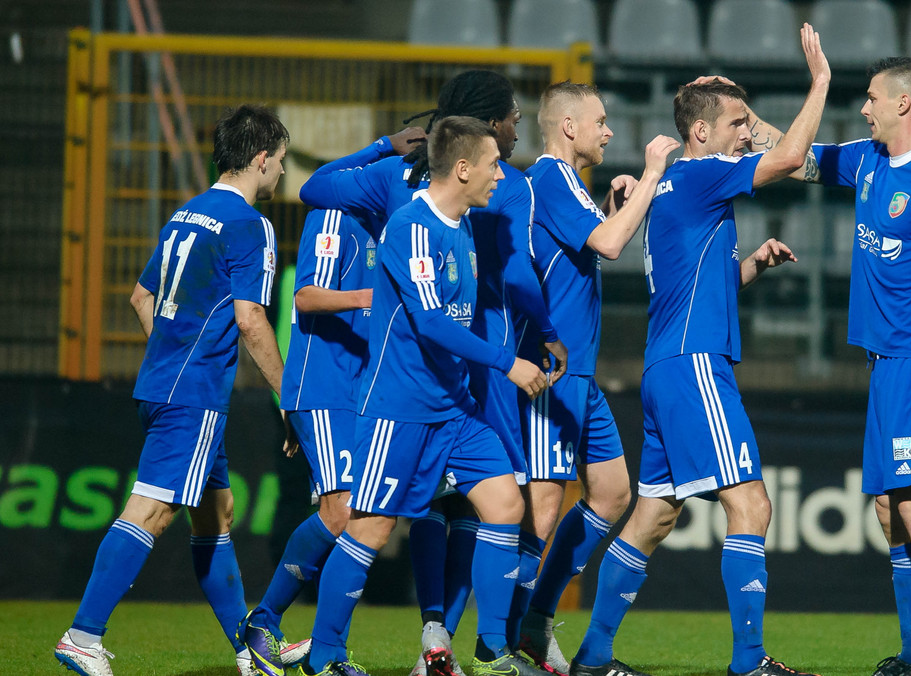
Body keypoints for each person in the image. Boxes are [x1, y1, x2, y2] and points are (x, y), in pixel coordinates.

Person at [569, 24, 829, 676]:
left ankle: (593, 656)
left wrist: (751, 268)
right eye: (738, 122)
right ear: (702, 134)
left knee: (653, 518)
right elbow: (792, 158)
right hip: (694, 367)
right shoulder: (707, 172)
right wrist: (822, 82)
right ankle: (749, 662)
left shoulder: (669, 193)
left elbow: (687, 284)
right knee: (752, 506)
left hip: (667, 364)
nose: (748, 131)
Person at [298, 69, 567, 676]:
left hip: (452, 410)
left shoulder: (465, 227)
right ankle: (325, 655)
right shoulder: (411, 227)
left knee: (503, 504)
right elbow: (431, 325)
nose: (504, 172)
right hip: (399, 408)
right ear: (464, 169)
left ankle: (494, 652)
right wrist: (509, 361)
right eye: (495, 162)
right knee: (368, 529)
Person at [739, 55, 911, 676]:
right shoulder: (872, 160)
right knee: (887, 507)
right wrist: (741, 117)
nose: (864, 106)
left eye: (872, 97)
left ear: (903, 104)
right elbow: (805, 157)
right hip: (886, 364)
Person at [53, 104, 291, 676]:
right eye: (281, 162)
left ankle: (251, 651)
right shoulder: (250, 224)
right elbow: (252, 319)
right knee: (153, 510)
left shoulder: (187, 214)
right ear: (260, 160)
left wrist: (172, 351)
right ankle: (83, 635)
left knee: (216, 513)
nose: (282, 174)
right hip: (193, 394)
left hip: (160, 383)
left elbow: (141, 298)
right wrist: (291, 402)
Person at [510, 82, 679, 675]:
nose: (610, 131)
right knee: (543, 508)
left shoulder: (567, 187)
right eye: (601, 121)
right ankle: (506, 643)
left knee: (611, 494)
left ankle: (534, 621)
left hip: (578, 374)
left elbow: (589, 242)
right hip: (551, 375)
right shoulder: (551, 178)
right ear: (568, 127)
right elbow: (609, 245)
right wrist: (654, 173)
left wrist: (611, 203)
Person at [237, 201, 384, 676]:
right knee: (343, 512)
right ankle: (288, 633)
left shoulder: (391, 227)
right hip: (322, 389)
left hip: (358, 395)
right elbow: (305, 297)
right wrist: (366, 297)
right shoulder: (334, 217)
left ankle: (285, 632)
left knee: (356, 515)